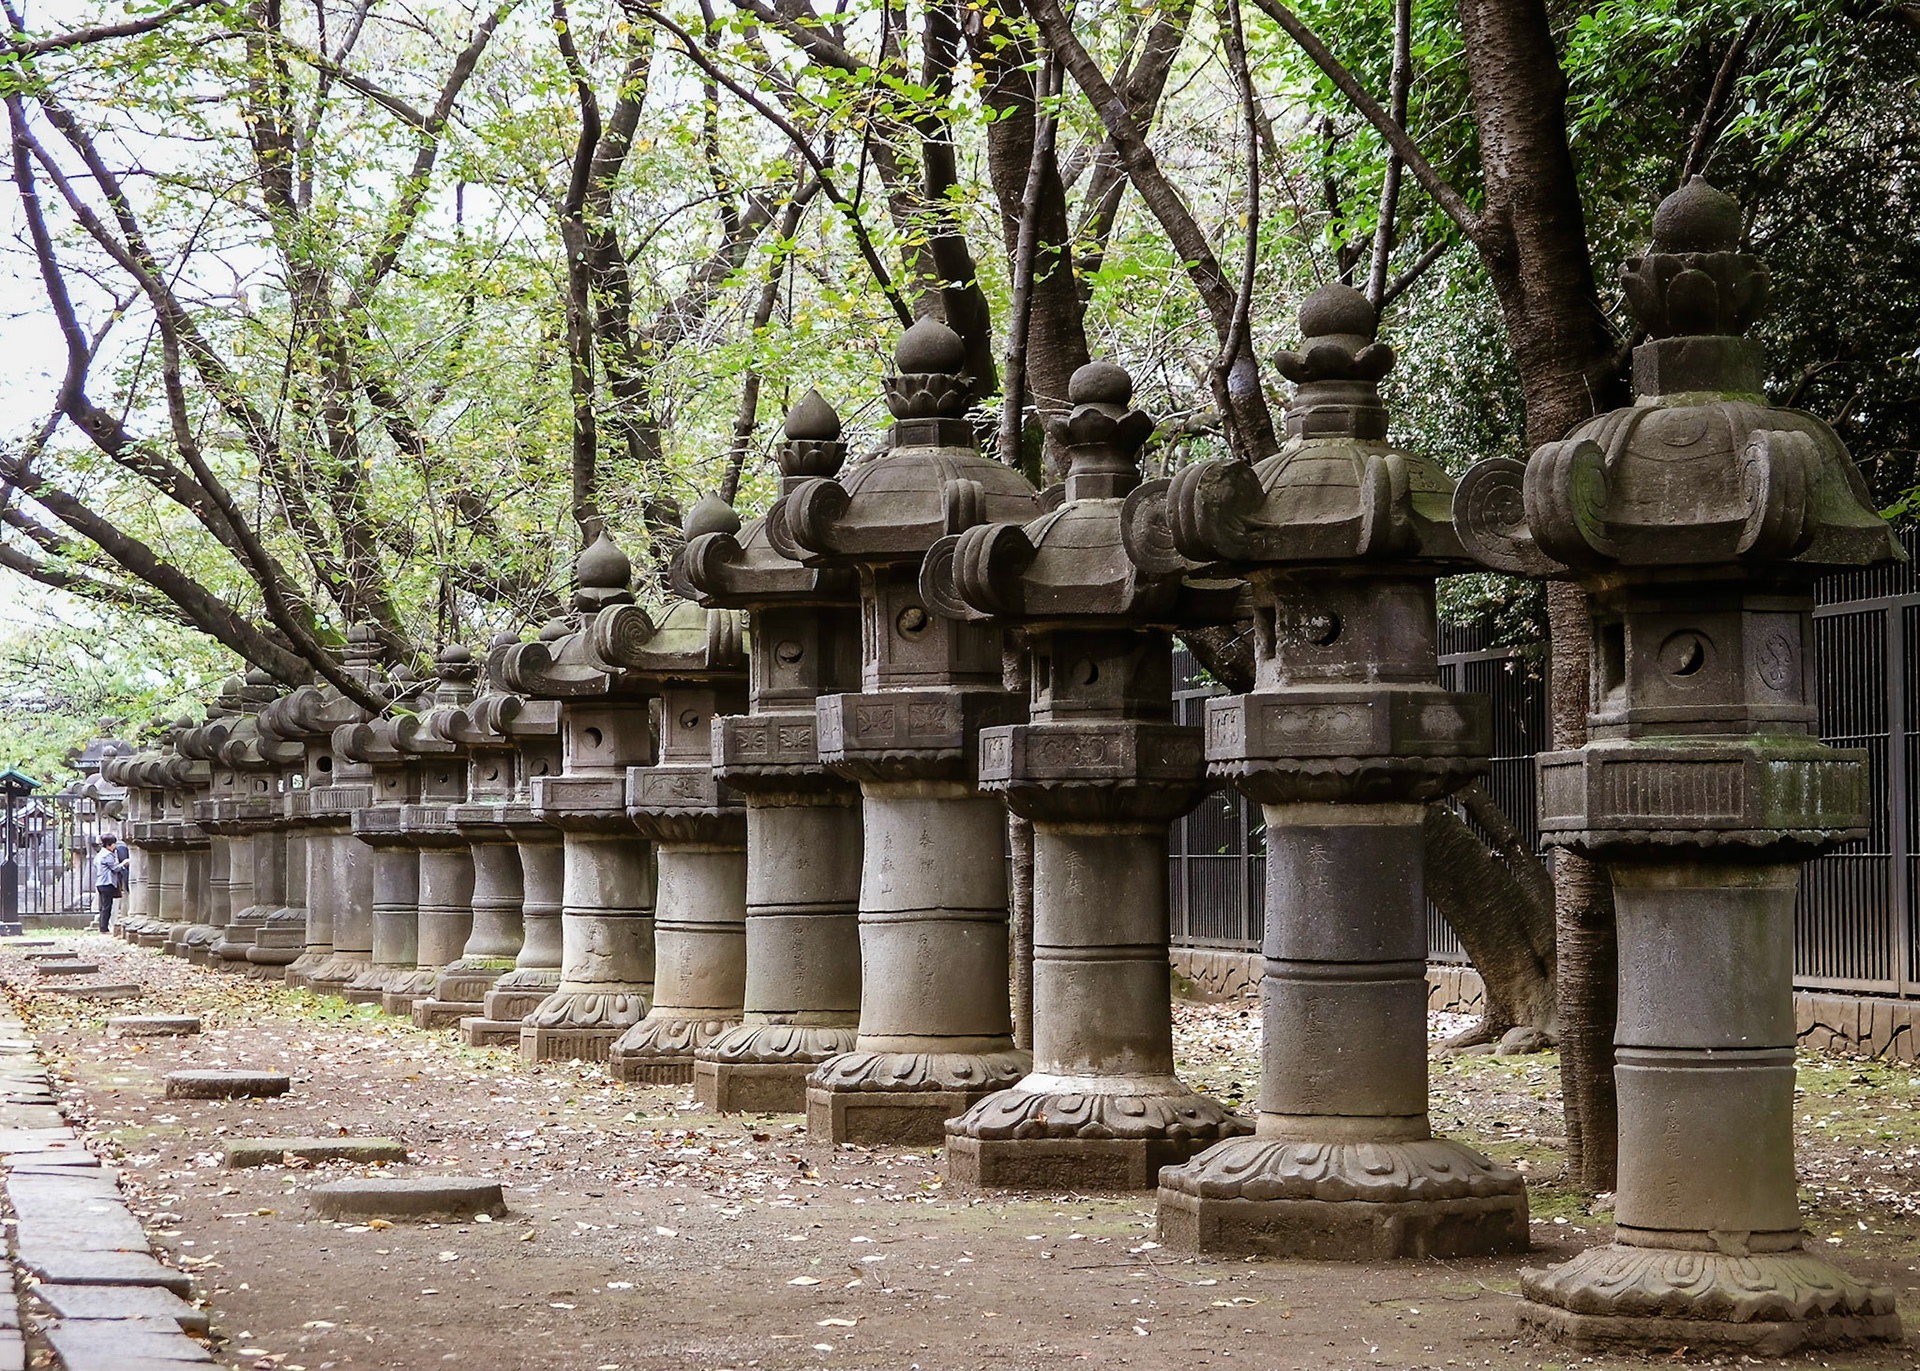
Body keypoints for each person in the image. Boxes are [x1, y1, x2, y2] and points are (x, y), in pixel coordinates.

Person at [93, 834, 124, 933]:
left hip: (100, 882)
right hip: (107, 882)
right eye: (114, 844)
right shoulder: (108, 855)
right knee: (107, 906)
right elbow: (115, 868)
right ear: (109, 845)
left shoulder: (100, 854)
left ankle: (103, 927)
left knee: (103, 906)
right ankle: (104, 928)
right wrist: (124, 863)